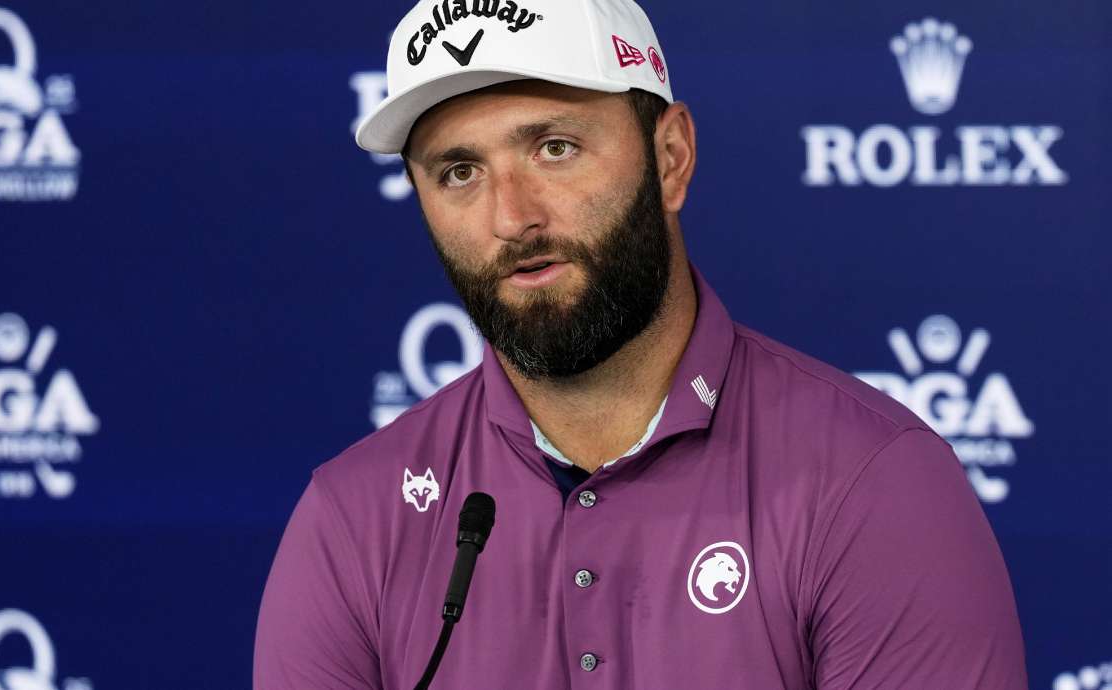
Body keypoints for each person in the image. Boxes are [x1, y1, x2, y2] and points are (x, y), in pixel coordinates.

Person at [254, 0, 1028, 686]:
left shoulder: (871, 481)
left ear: (671, 159)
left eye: (554, 147)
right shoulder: (352, 520)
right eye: (459, 171)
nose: (510, 217)